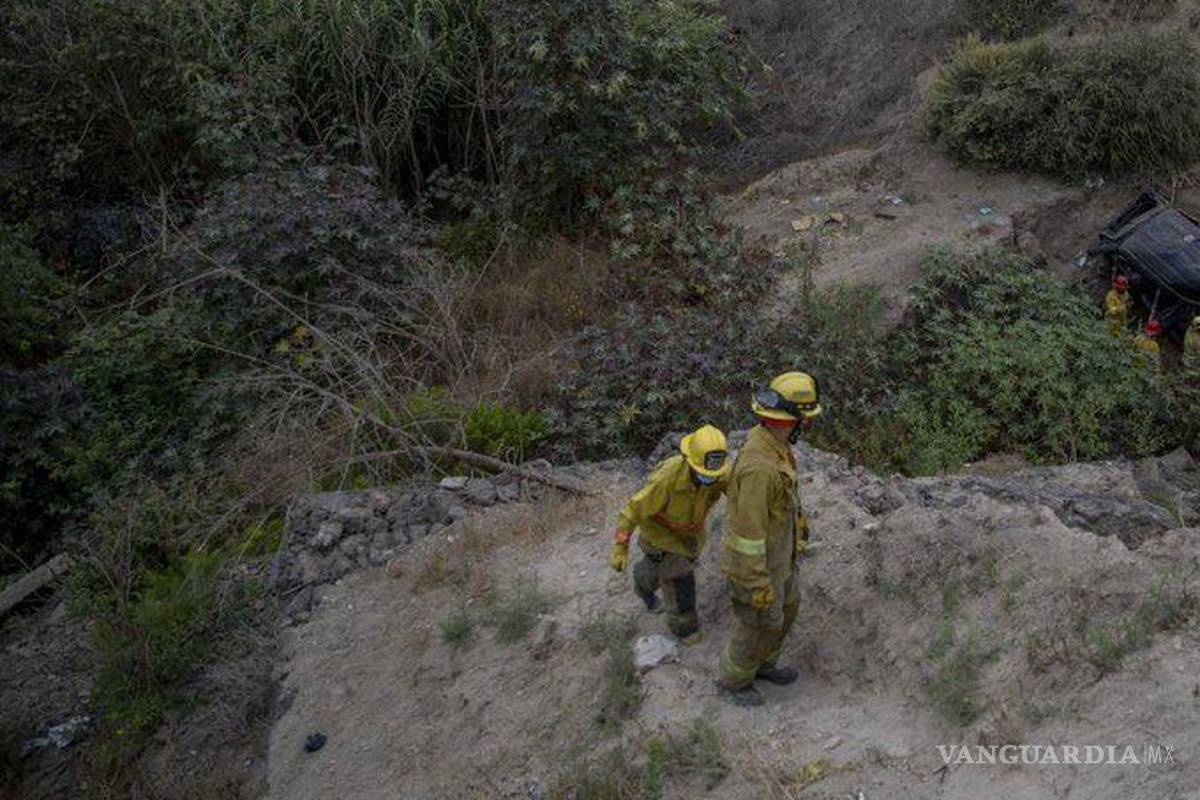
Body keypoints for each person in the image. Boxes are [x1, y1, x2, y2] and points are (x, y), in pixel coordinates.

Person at [716, 371, 821, 706]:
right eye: (805, 418)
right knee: (758, 625)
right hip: (758, 568)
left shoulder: (777, 448)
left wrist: (799, 530)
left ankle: (763, 666)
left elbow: (784, 502)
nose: (808, 424)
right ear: (792, 419)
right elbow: (746, 535)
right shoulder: (758, 468)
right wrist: (756, 583)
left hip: (780, 558)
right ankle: (733, 681)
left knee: (786, 610)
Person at [609, 425, 730, 644]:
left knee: (652, 574)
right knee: (680, 579)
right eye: (703, 474)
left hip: (690, 540)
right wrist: (620, 547)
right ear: (689, 461)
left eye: (713, 476)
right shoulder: (665, 480)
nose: (710, 479)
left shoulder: (716, 471)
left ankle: (643, 584)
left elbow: (737, 488)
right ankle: (685, 629)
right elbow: (631, 513)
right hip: (660, 539)